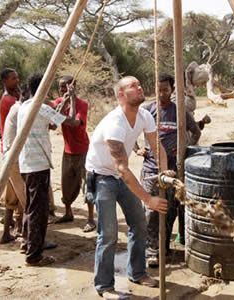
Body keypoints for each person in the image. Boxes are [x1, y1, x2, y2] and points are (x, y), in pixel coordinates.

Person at [85, 76, 173, 298]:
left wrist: (163, 171)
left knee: (139, 224)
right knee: (109, 234)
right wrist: (148, 199)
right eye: (133, 86)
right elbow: (123, 168)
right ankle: (104, 287)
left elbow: (156, 146)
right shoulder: (115, 123)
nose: (140, 86)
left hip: (119, 175)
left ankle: (137, 272)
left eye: (139, 83)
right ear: (122, 95)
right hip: (102, 175)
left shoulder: (144, 115)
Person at [134, 73, 201, 267]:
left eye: (165, 89)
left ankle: (164, 246)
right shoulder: (147, 111)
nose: (162, 93)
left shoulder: (180, 113)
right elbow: (131, 133)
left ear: (172, 90)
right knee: (151, 211)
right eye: (158, 89)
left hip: (172, 170)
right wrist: (138, 149)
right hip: (151, 170)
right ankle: (151, 251)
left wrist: (184, 150)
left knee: (169, 210)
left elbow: (196, 131)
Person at [17, 73, 66, 266]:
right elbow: (67, 122)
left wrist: (66, 99)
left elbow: (52, 124)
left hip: (27, 164)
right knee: (39, 210)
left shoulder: (25, 106)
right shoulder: (39, 106)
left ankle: (28, 242)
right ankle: (34, 255)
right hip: (37, 166)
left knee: (31, 206)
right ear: (43, 88)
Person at [52, 75, 96, 232]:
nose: (62, 90)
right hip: (67, 150)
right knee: (66, 183)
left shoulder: (82, 104)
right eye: (60, 87)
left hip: (83, 150)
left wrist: (71, 101)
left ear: (73, 87)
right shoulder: (59, 102)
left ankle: (91, 219)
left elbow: (75, 122)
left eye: (65, 86)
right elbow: (52, 121)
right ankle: (68, 212)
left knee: (87, 184)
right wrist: (64, 101)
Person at [0, 89, 27, 244]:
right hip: (16, 160)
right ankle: (27, 238)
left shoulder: (15, 108)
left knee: (11, 199)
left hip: (9, 158)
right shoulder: (22, 110)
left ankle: (6, 234)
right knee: (26, 201)